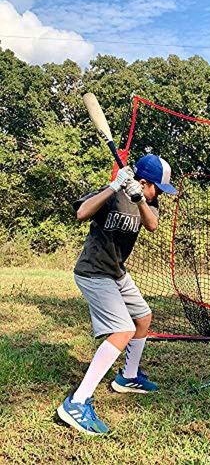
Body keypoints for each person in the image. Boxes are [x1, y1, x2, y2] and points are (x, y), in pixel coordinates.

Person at [57, 154, 177, 435]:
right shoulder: (111, 194)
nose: (160, 194)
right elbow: (81, 213)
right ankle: (77, 402)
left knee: (143, 318)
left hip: (116, 272)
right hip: (93, 271)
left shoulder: (147, 198)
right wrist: (113, 186)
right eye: (157, 188)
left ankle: (129, 377)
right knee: (122, 330)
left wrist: (142, 199)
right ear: (144, 180)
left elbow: (152, 225)